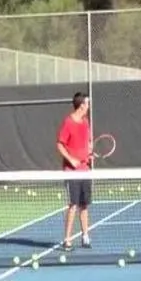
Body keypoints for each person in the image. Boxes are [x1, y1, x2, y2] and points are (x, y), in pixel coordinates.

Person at [56, 92, 93, 251]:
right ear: (81, 105)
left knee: (84, 205)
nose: (88, 106)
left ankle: (85, 236)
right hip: (72, 172)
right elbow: (59, 144)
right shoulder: (68, 122)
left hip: (85, 170)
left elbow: (88, 141)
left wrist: (90, 152)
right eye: (87, 104)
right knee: (73, 205)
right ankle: (67, 239)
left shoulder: (86, 122)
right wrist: (71, 160)